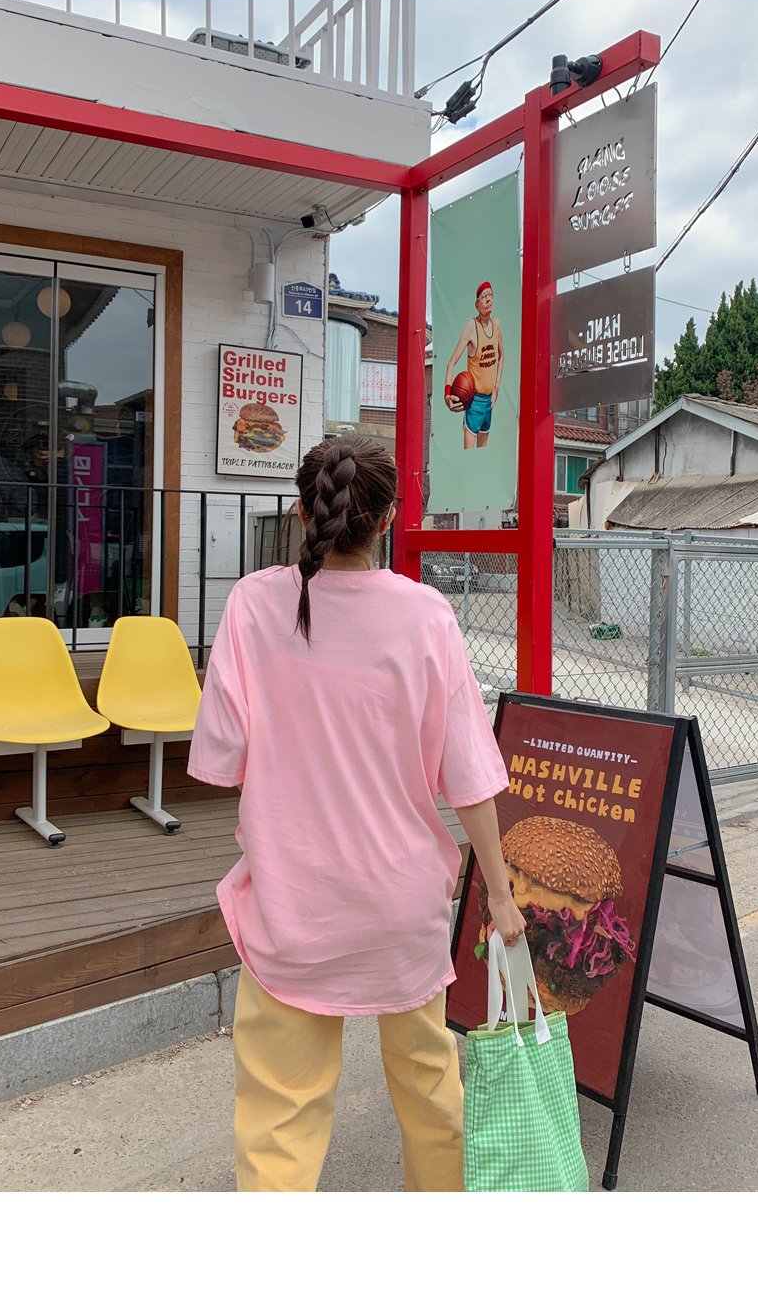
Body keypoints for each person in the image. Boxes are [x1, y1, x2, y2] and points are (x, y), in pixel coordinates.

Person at [188, 436, 526, 1193]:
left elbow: (222, 759)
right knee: (431, 1093)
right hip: (400, 907)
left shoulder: (252, 605)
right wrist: (500, 897)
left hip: (292, 904)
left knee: (279, 1116)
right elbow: (470, 777)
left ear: (301, 511)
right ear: (390, 519)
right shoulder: (428, 617)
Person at [443, 281, 505, 450]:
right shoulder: (472, 327)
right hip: (475, 400)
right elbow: (451, 362)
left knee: (482, 455)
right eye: (484, 296)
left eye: (490, 295)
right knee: (469, 455)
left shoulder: (496, 325)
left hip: (488, 400)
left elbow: (502, 356)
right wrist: (447, 395)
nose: (488, 299)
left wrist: (497, 387)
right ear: (477, 305)